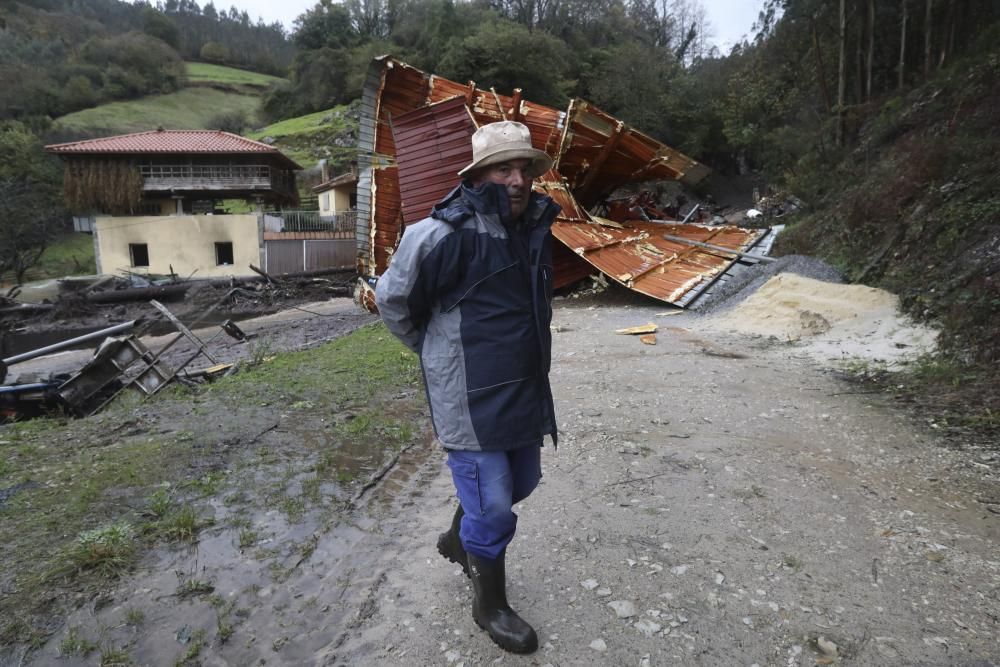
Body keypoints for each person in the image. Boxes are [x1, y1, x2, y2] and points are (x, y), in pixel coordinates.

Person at [375, 120, 560, 654]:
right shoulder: (441, 235)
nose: (518, 179)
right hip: (469, 396)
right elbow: (393, 302)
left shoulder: (535, 228)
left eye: (524, 168)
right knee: (493, 506)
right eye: (504, 168)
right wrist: (435, 356)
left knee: (521, 481)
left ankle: (460, 539)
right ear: (479, 176)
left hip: (523, 385)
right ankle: (490, 604)